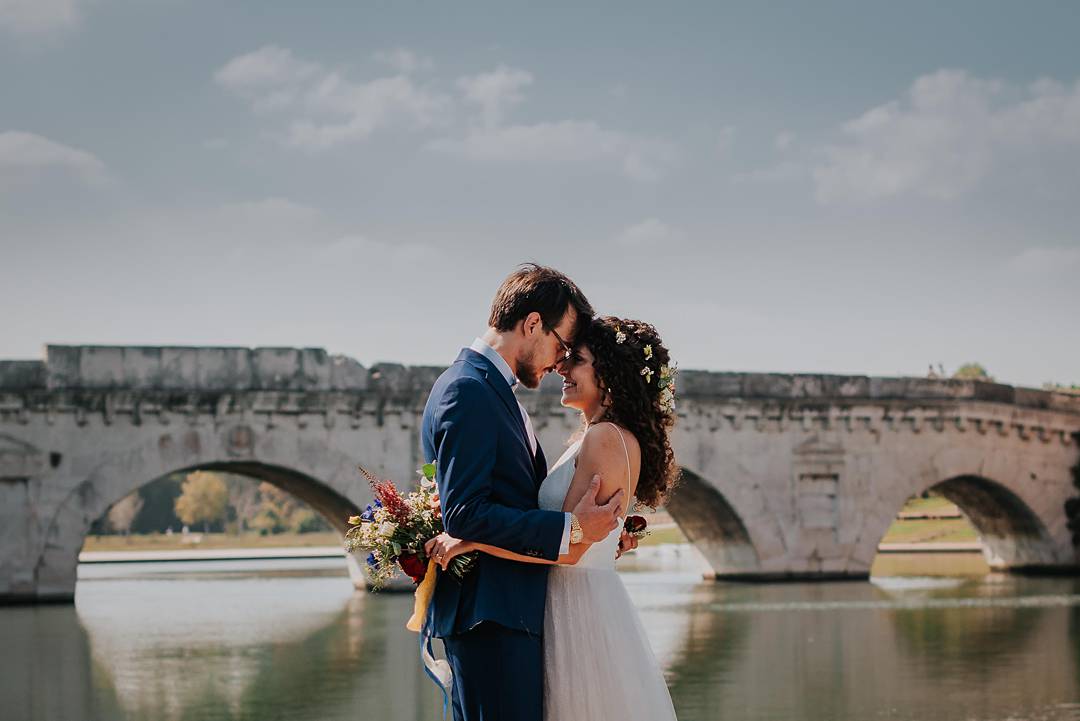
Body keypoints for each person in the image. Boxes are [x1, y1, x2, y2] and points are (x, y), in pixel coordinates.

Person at [429, 315, 680, 720]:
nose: (562, 366)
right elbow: (578, 535)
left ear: (610, 374)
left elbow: (568, 549)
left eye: (576, 359)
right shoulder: (599, 436)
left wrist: (471, 538)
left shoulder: (604, 439)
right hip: (572, 601)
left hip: (575, 608)